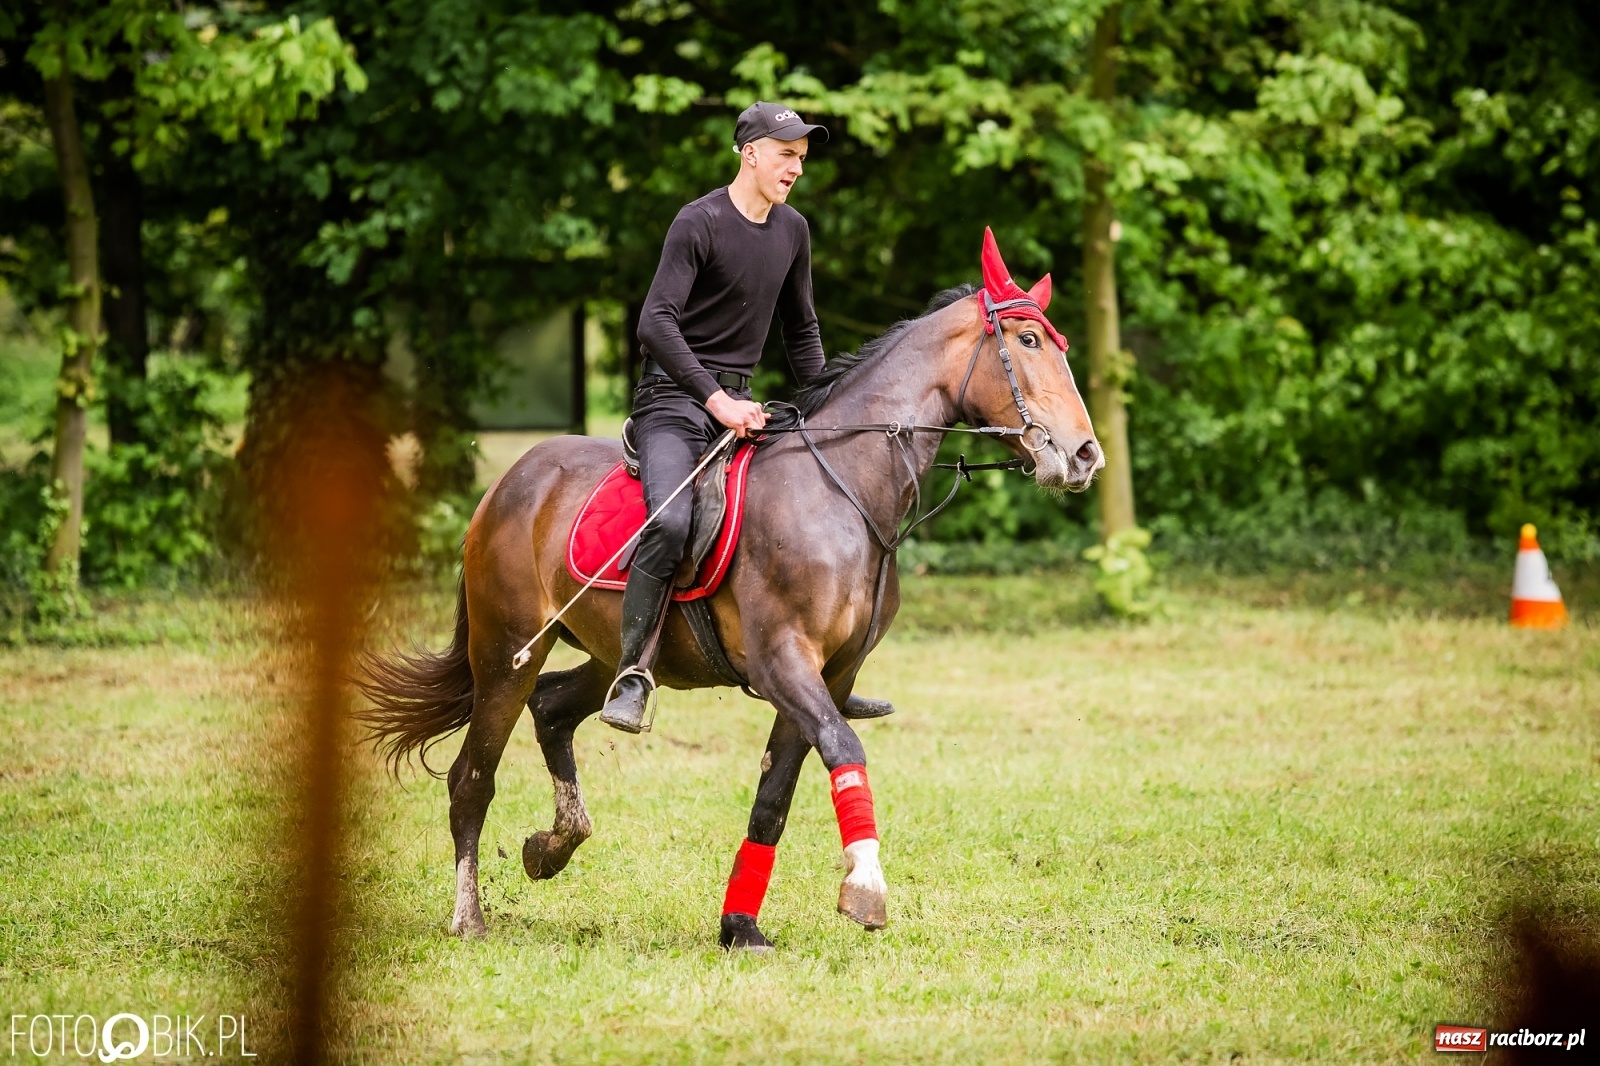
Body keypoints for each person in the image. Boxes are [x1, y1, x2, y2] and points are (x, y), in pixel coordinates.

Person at [600, 101, 891, 732]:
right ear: (750, 151)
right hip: (674, 404)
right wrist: (716, 399)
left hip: (745, 407)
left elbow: (802, 328)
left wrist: (827, 408)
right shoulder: (697, 222)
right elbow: (655, 323)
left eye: (802, 158)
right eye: (787, 154)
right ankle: (632, 671)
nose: (796, 168)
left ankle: (830, 676)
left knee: (825, 503)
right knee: (673, 518)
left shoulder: (793, 231)